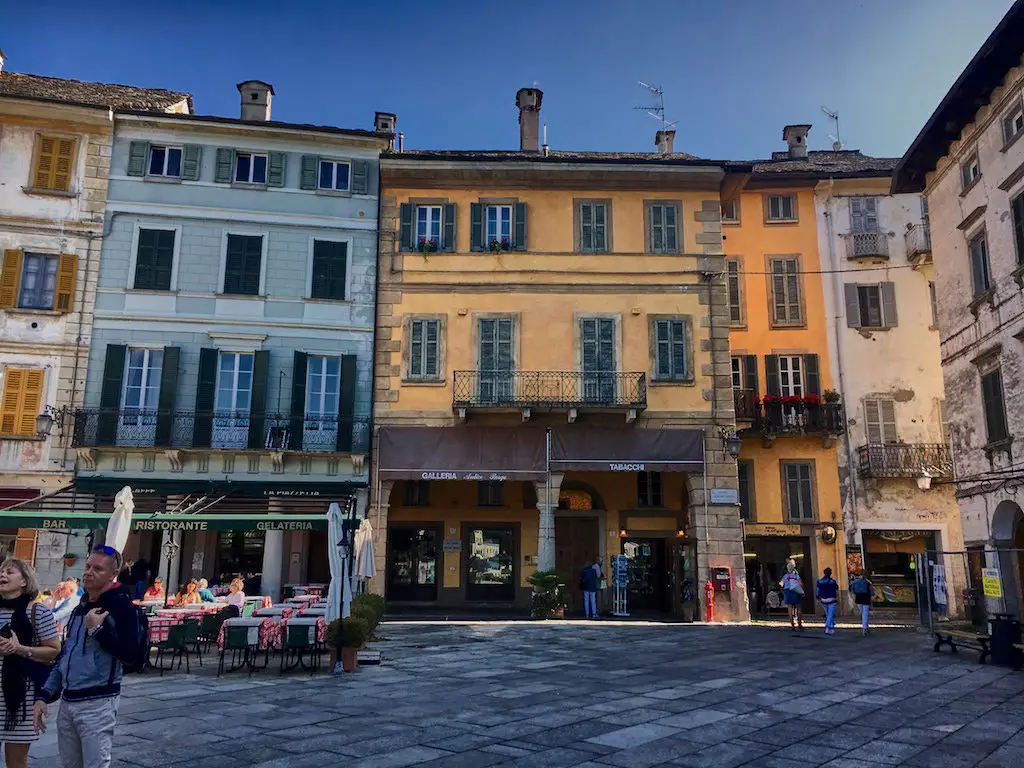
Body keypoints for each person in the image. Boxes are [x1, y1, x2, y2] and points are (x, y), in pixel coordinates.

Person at [34, 546, 141, 768]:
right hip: (68, 701)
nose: (89, 572)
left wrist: (97, 632)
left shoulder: (122, 607)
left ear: (113, 575)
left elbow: (133, 657)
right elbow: (66, 656)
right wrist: (44, 694)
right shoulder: (80, 608)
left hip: (98, 703)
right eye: (88, 566)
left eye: (98, 569)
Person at [0, 559, 62, 768]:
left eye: (9, 572)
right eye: (1, 571)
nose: (2, 575)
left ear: (24, 581)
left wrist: (19, 649)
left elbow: (54, 650)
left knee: (16, 761)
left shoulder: (38, 612)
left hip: (21, 699)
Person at [780, 562, 804, 631]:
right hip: (795, 591)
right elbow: (801, 583)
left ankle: (792, 625)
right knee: (798, 607)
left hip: (787, 591)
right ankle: (799, 624)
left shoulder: (785, 576)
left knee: (790, 608)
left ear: (787, 569)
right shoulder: (796, 576)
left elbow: (781, 584)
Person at [816, 567, 839, 636]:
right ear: (830, 573)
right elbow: (836, 588)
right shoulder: (832, 581)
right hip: (832, 600)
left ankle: (831, 629)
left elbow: (817, 590)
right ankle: (828, 627)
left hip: (823, 600)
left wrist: (818, 598)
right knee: (830, 615)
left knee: (828, 614)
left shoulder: (819, 581)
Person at [850, 571, 874, 636]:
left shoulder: (855, 582)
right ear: (867, 575)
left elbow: (852, 589)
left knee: (863, 612)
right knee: (865, 613)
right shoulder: (868, 582)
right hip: (866, 598)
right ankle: (865, 628)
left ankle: (865, 627)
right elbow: (872, 593)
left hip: (858, 598)